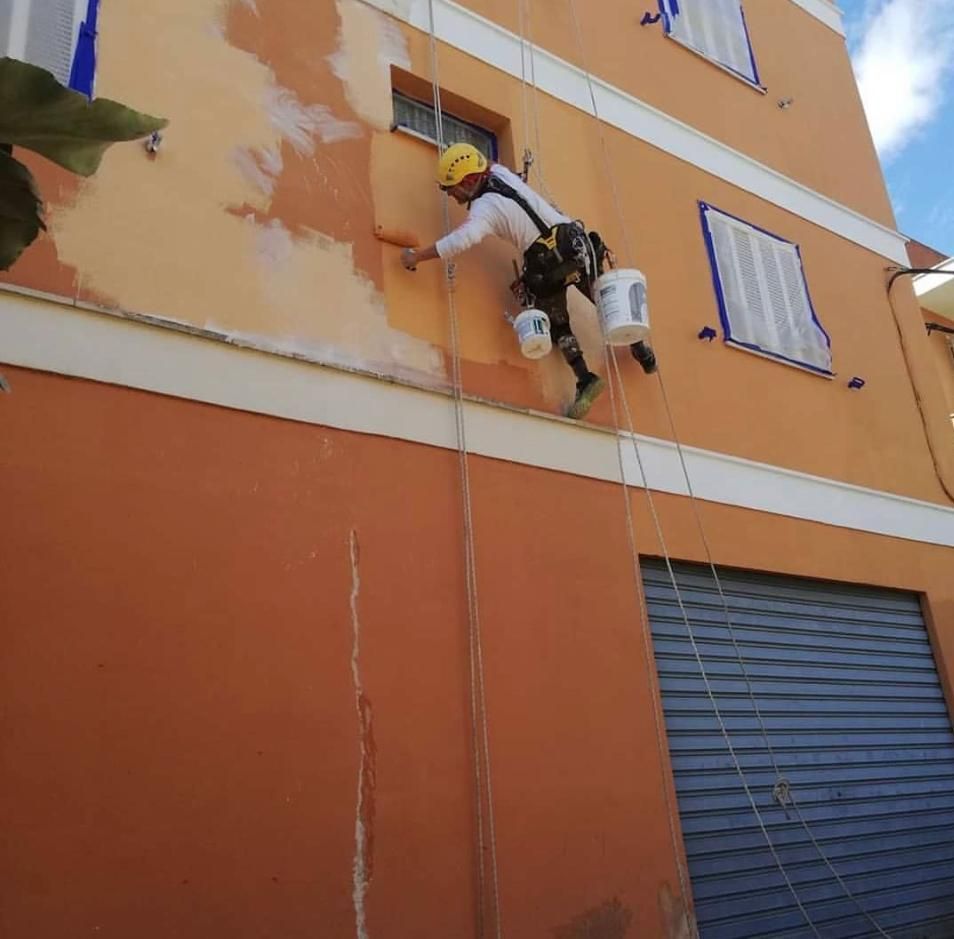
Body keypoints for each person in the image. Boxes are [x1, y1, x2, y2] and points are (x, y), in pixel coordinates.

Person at [400, 142, 657, 420]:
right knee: (602, 296)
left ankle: (585, 378)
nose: (451, 194)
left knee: (557, 323)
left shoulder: (484, 209)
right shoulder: (500, 172)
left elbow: (462, 239)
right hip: (572, 241)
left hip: (544, 263)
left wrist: (416, 256)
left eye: (452, 187)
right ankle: (639, 347)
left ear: (471, 180)